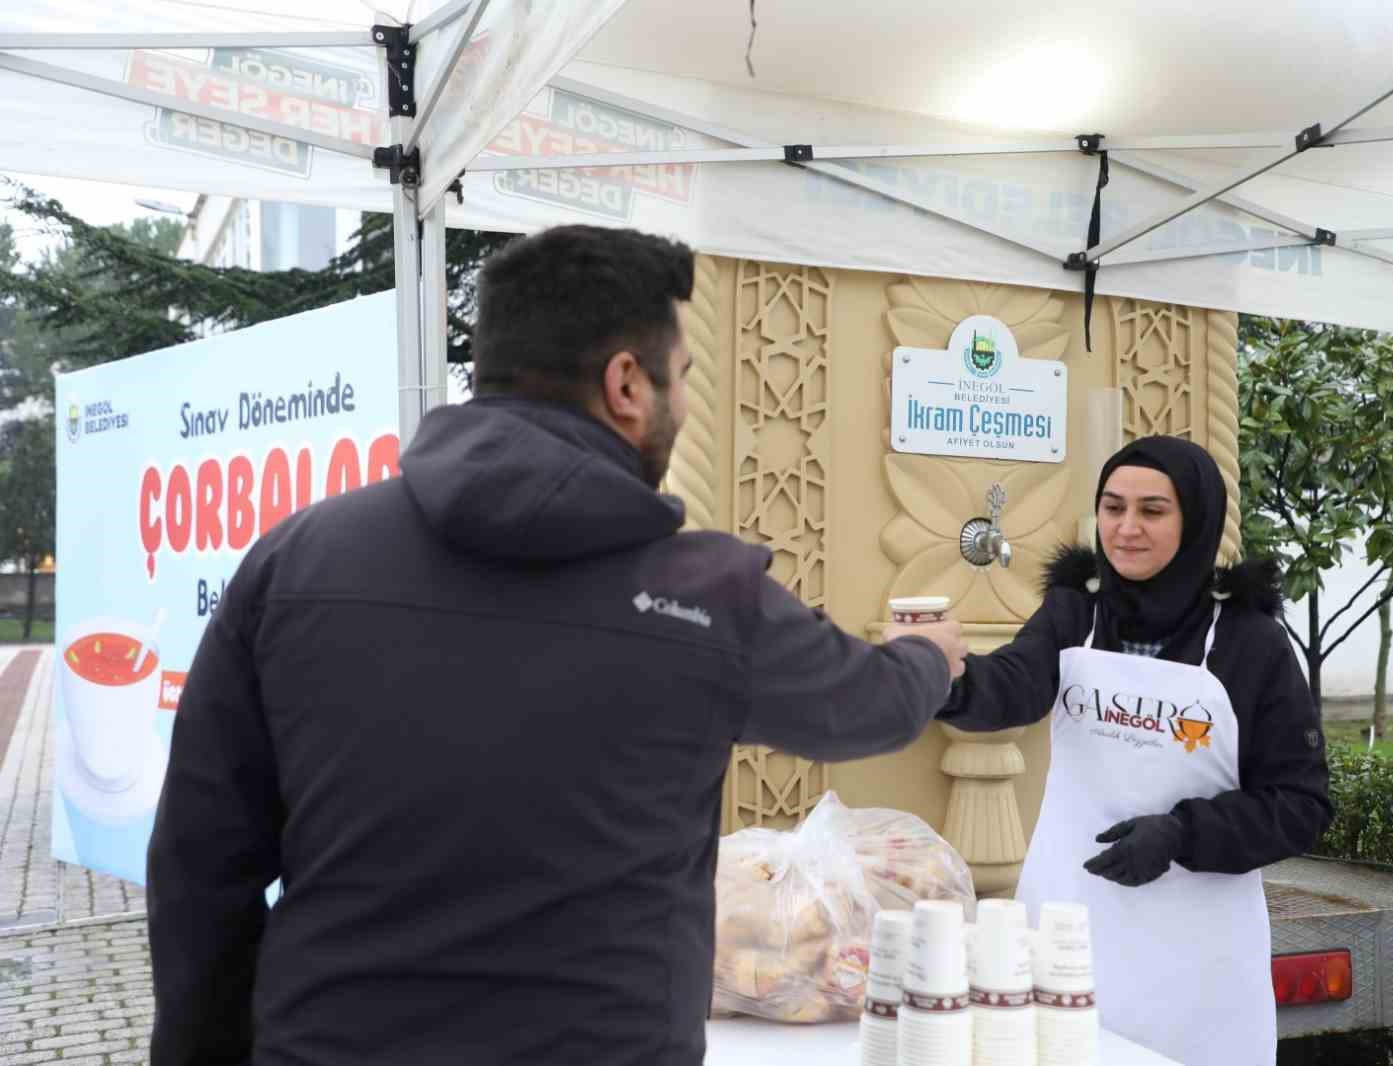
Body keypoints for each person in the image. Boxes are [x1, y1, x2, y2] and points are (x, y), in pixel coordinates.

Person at [146, 224, 968, 1066]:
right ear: (626, 384)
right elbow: (866, 705)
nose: (686, 405)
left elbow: (199, 868)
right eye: (684, 376)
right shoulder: (708, 596)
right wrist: (930, 655)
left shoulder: (295, 563)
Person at [921, 435, 1331, 1066]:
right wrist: (942, 678)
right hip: (1067, 927)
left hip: (1195, 959)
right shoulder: (1076, 614)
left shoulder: (1250, 643)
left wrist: (1183, 833)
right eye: (1113, 508)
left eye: (1152, 511)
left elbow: (1301, 804)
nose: (1126, 528)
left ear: (1195, 522)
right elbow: (1013, 685)